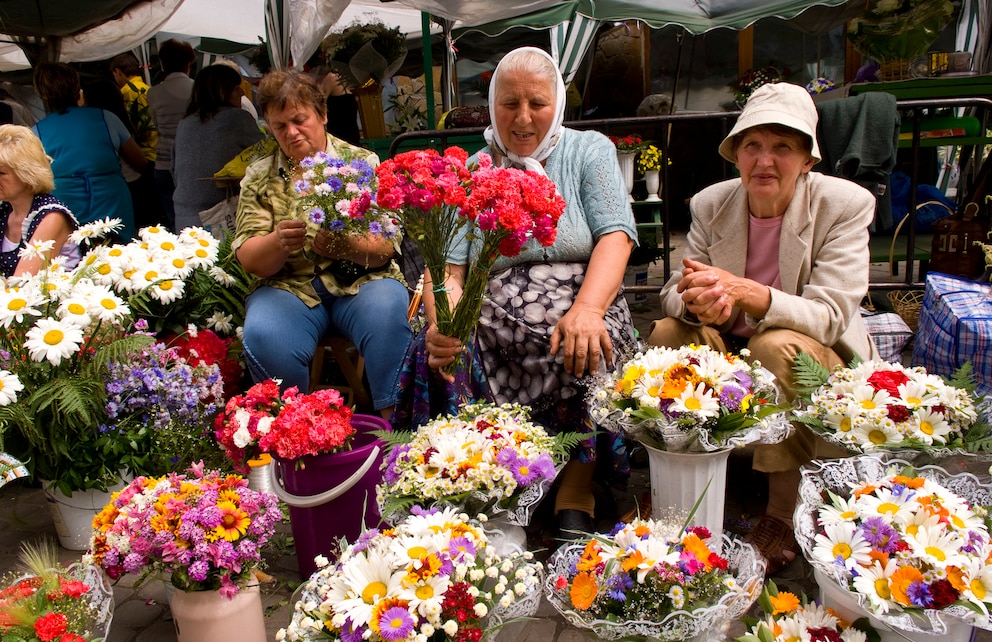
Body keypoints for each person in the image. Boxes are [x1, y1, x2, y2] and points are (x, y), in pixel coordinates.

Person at [646, 82, 879, 574]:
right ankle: (681, 483)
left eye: (783, 147)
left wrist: (752, 294)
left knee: (774, 346)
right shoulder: (713, 203)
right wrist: (698, 304)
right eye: (753, 145)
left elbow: (831, 314)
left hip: (815, 359)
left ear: (808, 160)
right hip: (732, 350)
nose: (765, 161)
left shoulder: (844, 205)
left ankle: (780, 513)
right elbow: (672, 290)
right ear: (736, 155)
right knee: (668, 335)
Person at [419, 47, 638, 539]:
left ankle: (575, 487)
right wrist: (443, 324)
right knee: (453, 350)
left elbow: (615, 236)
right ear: (491, 104)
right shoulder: (474, 169)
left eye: (536, 103)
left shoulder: (589, 150)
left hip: (587, 295)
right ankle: (495, 481)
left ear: (557, 102)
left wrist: (587, 308)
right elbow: (449, 270)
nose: (522, 118)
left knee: (588, 341)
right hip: (495, 306)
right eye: (509, 103)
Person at [234, 69, 412, 419]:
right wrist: (278, 242)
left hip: (362, 281)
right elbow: (250, 258)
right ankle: (296, 434)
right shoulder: (259, 175)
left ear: (323, 115)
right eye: (279, 126)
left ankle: (397, 431)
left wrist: (343, 246)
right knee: (265, 333)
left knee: (387, 316)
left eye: (299, 120)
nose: (291, 132)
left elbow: (386, 246)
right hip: (289, 288)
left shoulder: (362, 164)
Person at [32, 62, 142, 240]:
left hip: (65, 209)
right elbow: (140, 162)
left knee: (73, 264)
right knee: (119, 261)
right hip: (113, 204)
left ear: (42, 94)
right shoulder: (107, 118)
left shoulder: (36, 132)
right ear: (77, 88)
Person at [172, 64, 264, 231]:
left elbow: (174, 169)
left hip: (183, 215)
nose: (242, 93)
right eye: (237, 89)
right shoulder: (236, 118)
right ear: (222, 91)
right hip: (221, 218)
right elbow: (266, 157)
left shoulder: (185, 123)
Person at [81, 78, 166, 232]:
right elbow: (140, 161)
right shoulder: (113, 119)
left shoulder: (97, 123)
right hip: (132, 183)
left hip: (119, 189)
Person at [0, 124, 79, 276]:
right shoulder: (5, 210)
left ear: (26, 174)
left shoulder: (52, 217)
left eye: (2, 173)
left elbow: (24, 281)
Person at [148, 38, 196, 231]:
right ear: (188, 63)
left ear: (162, 63)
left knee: (171, 217)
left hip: (163, 163)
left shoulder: (154, 93)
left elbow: (155, 124)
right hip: (190, 163)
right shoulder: (197, 89)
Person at [110, 52, 158, 164]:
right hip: (155, 148)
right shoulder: (146, 88)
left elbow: (129, 124)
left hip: (143, 151)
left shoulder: (128, 91)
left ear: (118, 72)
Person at [321, 69, 360, 146]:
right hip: (346, 135)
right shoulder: (335, 78)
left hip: (343, 135)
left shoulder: (333, 78)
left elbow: (318, 103)